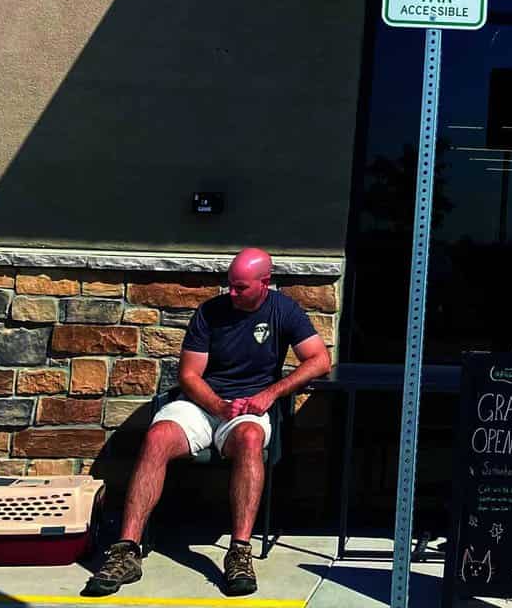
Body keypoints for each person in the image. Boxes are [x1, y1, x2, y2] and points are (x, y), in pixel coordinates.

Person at [83, 248, 332, 598]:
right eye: (230, 285)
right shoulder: (210, 312)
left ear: (265, 283)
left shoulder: (283, 310)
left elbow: (319, 360)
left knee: (249, 438)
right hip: (203, 403)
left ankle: (239, 552)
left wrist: (270, 394)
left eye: (241, 287)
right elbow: (188, 374)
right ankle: (126, 549)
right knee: (157, 436)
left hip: (249, 407)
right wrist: (216, 404)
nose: (232, 293)